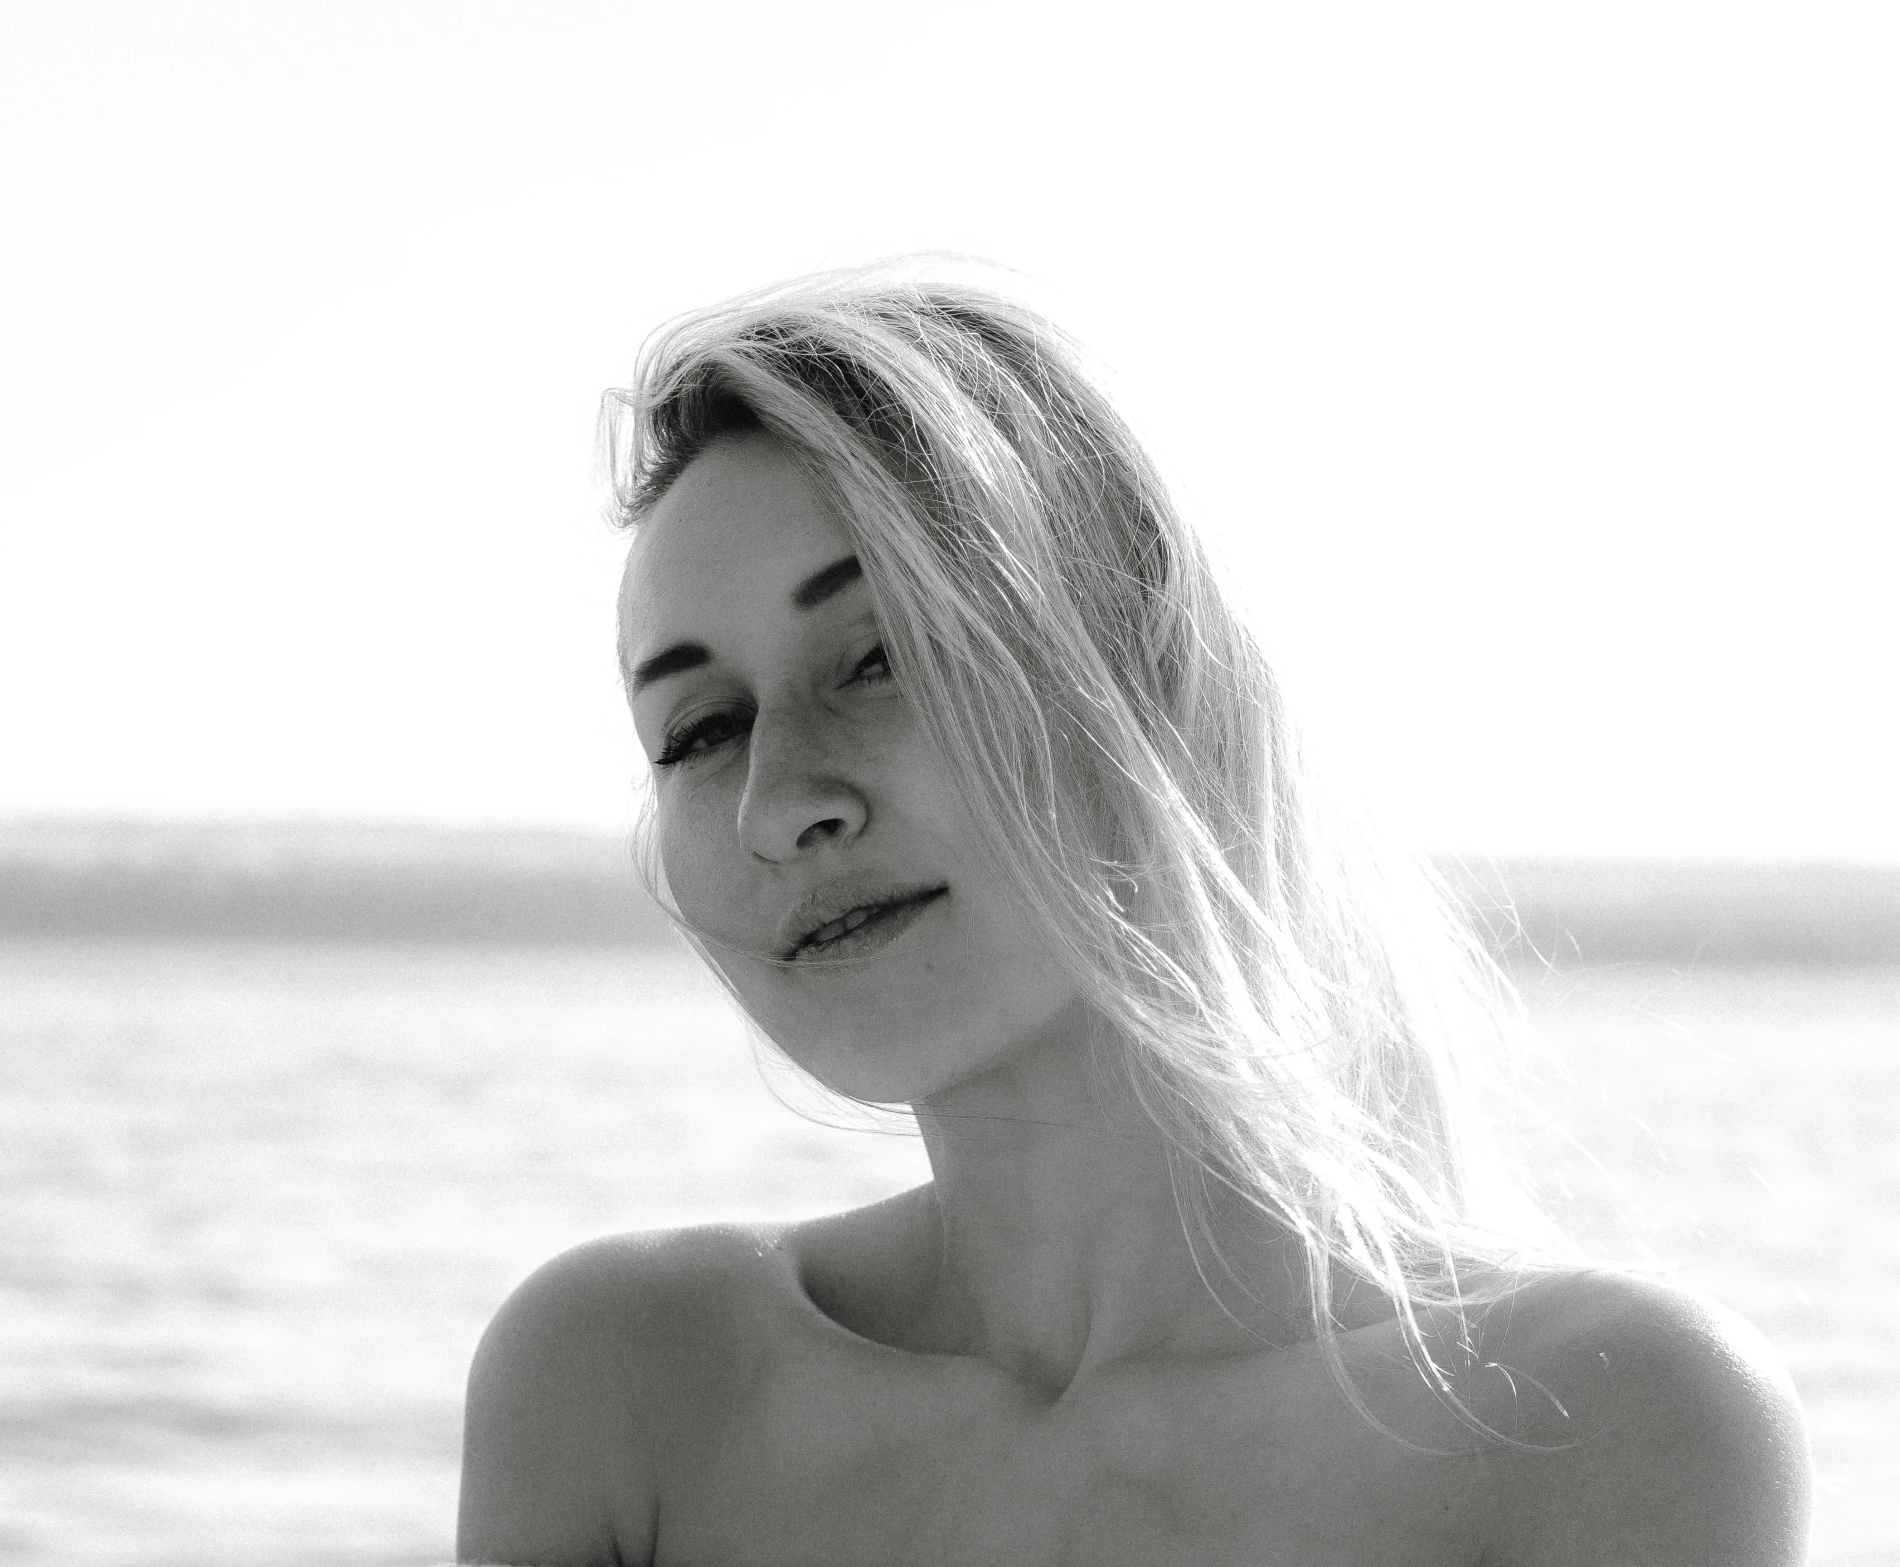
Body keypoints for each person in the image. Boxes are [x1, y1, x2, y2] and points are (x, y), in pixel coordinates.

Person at [456, 265, 1810, 1565]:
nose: (774, 799)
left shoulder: (1602, 1423)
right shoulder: (623, 1386)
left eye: (878, 657)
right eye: (696, 728)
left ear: (1143, 678)